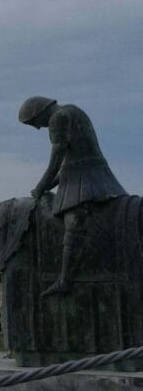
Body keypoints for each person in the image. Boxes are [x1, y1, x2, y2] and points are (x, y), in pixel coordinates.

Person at [19, 96, 127, 297]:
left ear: (38, 113)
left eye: (34, 123)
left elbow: (57, 157)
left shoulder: (57, 118)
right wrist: (45, 186)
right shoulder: (70, 111)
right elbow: (69, 166)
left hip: (88, 178)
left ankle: (65, 280)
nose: (37, 128)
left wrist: (42, 185)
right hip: (80, 174)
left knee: (73, 220)